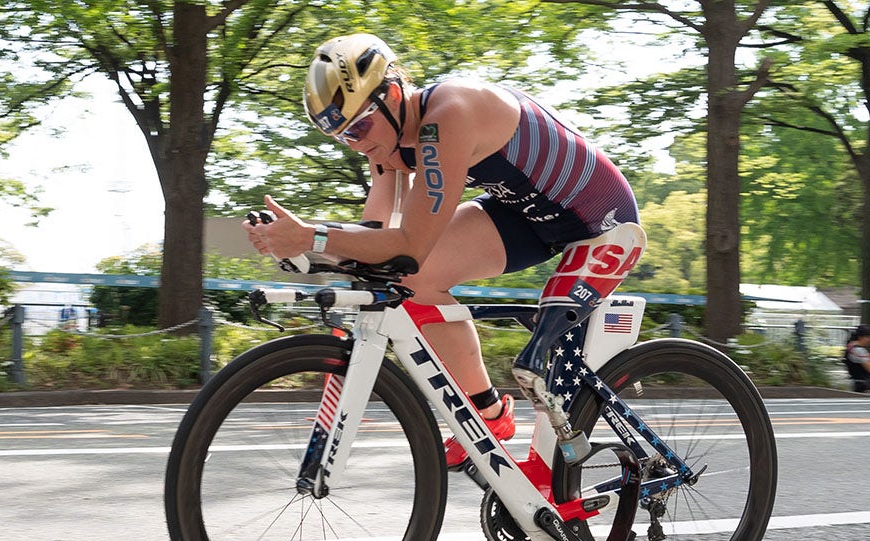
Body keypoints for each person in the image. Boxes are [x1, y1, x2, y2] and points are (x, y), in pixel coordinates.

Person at [243, 33, 645, 468]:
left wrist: (314, 238)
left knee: (537, 368)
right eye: (343, 137)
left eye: (358, 127)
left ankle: (561, 472)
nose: (357, 144)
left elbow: (408, 245)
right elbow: (376, 235)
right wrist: (307, 246)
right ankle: (489, 415)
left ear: (392, 94)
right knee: (411, 281)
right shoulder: (390, 135)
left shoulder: (447, 117)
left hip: (601, 222)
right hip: (525, 216)